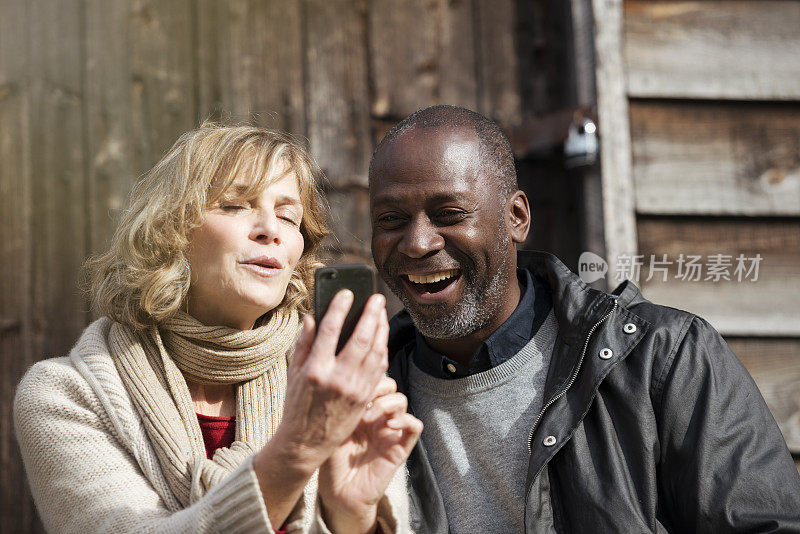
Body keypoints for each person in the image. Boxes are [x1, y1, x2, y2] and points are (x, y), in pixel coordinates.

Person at [368, 105, 800, 533]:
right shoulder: (361, 391)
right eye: (391, 220)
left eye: (450, 214)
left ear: (515, 218)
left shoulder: (665, 357)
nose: (417, 243)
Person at [14, 124, 422, 533]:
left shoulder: (337, 385)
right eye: (233, 205)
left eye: (287, 215)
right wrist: (297, 451)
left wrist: (351, 517)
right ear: (169, 230)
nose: (271, 229)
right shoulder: (64, 394)